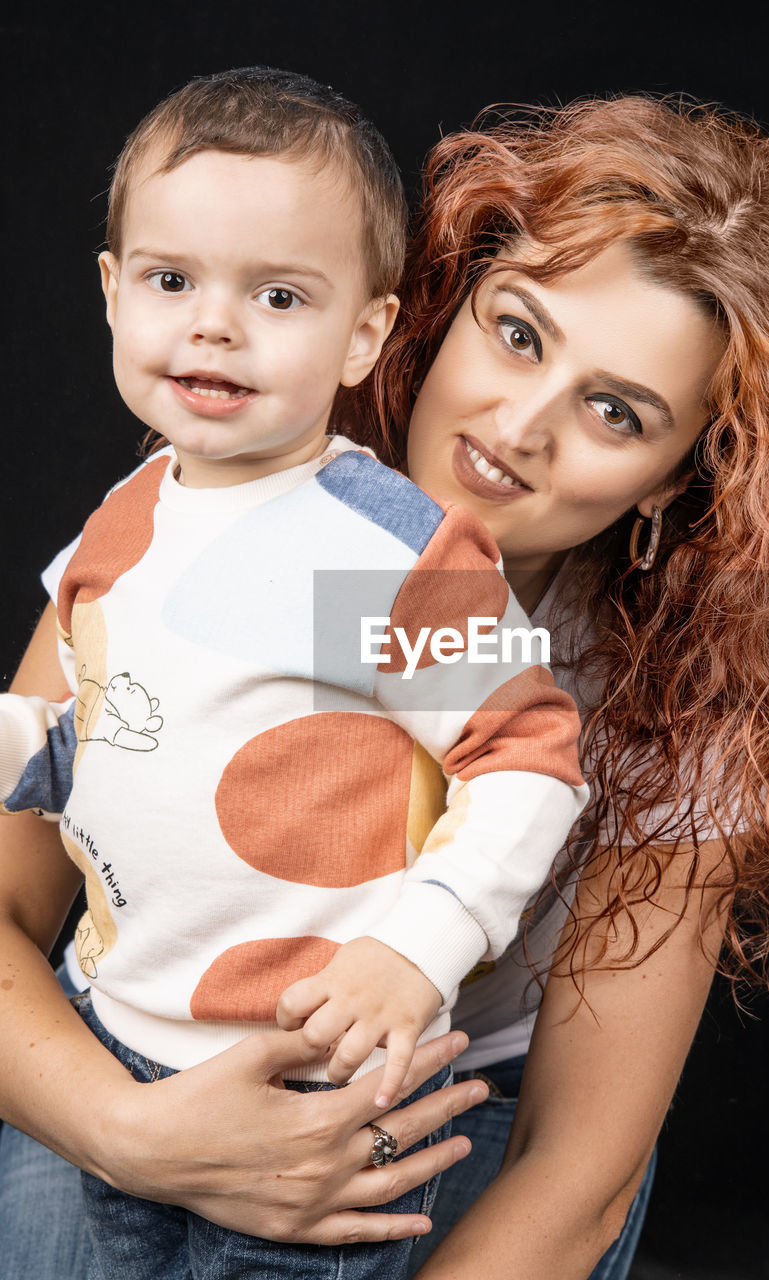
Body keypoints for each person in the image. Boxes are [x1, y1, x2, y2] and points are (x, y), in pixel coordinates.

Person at [1, 94, 769, 1280]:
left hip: (443, 1094)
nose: (519, 426)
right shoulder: (228, 495)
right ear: (434, 309)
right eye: (517, 334)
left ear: (674, 480)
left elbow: (576, 1167)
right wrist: (133, 1138)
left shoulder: (683, 701)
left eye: (615, 411)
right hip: (134, 1053)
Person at [0, 68, 588, 1280]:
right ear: (112, 294)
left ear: (363, 332)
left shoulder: (377, 552)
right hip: (105, 1038)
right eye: (171, 281)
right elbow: (87, 730)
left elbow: (532, 756)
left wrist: (417, 945)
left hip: (304, 1095)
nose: (213, 325)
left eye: (277, 294)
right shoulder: (125, 516)